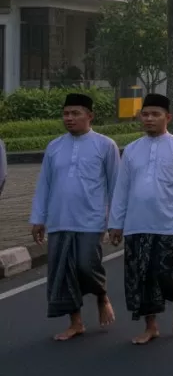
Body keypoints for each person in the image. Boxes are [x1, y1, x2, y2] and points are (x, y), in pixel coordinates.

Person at [108, 94, 173, 345]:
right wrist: (115, 223)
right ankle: (151, 326)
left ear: (167, 117)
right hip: (136, 223)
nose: (149, 119)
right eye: (145, 114)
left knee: (166, 272)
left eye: (155, 114)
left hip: (168, 222)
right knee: (140, 277)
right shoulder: (131, 150)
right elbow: (121, 189)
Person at [29, 93, 120, 341]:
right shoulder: (54, 146)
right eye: (66, 114)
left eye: (75, 113)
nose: (69, 118)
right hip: (59, 219)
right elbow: (44, 185)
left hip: (91, 219)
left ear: (89, 116)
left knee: (85, 265)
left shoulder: (105, 145)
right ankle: (76, 322)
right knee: (63, 272)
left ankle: (101, 295)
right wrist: (38, 218)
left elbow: (116, 186)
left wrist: (116, 222)